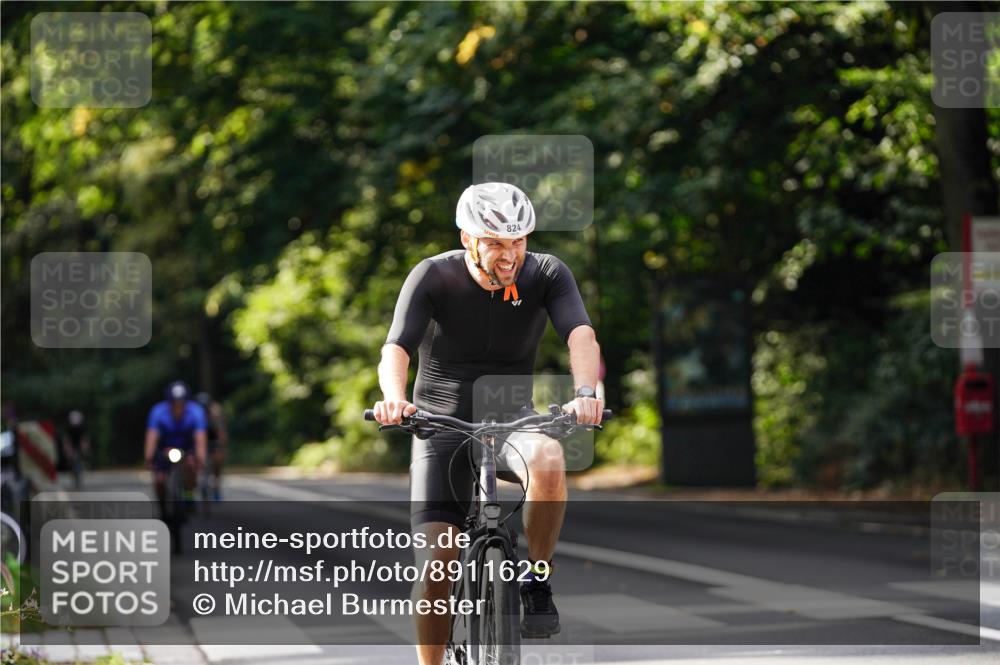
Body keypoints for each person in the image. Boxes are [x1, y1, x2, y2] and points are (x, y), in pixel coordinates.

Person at [371, 182, 604, 665]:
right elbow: (397, 347)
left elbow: (580, 334)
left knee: (549, 457)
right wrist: (395, 399)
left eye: (518, 240)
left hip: (513, 420)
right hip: (440, 426)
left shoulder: (546, 273)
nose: (509, 254)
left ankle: (537, 579)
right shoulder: (433, 276)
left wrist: (586, 393)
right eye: (496, 242)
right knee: (436, 565)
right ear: (467, 239)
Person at [144, 381, 207, 507]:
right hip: (164, 448)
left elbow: (200, 437)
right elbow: (152, 436)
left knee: (191, 466)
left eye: (181, 402)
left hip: (187, 448)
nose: (178, 405)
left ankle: (189, 494)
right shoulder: (158, 411)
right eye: (174, 402)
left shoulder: (196, 411)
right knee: (159, 479)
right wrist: (149, 457)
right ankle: (162, 503)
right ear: (169, 402)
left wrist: (201, 458)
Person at [195, 392, 228, 501]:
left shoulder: (215, 415)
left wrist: (221, 445)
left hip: (212, 440)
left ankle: (216, 485)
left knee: (218, 458)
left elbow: (221, 433)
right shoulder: (193, 414)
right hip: (197, 441)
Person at [62, 410, 90, 489]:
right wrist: (67, 449)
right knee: (71, 461)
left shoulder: (81, 428)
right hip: (72, 446)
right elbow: (67, 439)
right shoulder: (69, 428)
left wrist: (85, 448)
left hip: (78, 446)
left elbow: (84, 439)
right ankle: (74, 475)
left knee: (79, 461)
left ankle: (79, 474)